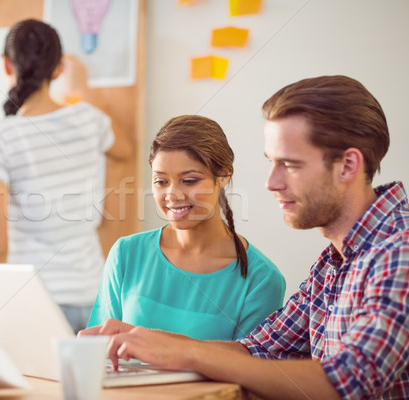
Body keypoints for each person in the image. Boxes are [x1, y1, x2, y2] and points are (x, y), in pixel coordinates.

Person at [81, 75, 409, 399]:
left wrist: (186, 354)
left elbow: (350, 380)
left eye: (289, 164)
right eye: (271, 163)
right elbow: (258, 348)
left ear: (348, 165)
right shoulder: (332, 263)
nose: (271, 182)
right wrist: (154, 342)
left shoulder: (399, 252)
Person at [0, 19, 131, 343]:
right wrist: (82, 89)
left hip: (34, 301)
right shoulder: (89, 120)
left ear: (6, 64)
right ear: (57, 69)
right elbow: (125, 149)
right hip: (92, 297)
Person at [85, 115, 285, 340]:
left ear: (223, 176)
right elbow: (100, 348)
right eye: (161, 182)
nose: (172, 195)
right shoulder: (127, 253)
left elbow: (250, 366)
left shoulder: (261, 279)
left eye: (189, 181)